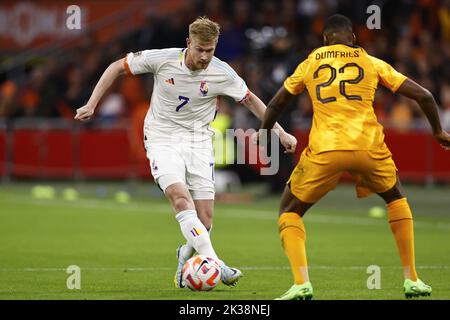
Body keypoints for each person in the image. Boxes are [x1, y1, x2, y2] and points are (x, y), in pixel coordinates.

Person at [75, 17, 297, 289]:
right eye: (200, 49)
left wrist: (281, 132)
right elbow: (116, 67)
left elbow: (251, 100)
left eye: (210, 50)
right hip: (161, 138)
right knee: (180, 199)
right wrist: (91, 103)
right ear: (188, 43)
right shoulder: (163, 59)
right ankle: (217, 264)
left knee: (205, 219)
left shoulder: (221, 72)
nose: (205, 56)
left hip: (198, 142)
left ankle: (185, 255)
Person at [255, 14, 450, 300]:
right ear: (354, 39)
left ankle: (301, 283)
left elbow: (278, 101)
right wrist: (437, 131)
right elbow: (424, 96)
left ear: (325, 39)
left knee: (289, 211)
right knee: (396, 198)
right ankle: (412, 279)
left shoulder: (312, 61)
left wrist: (264, 132)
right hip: (369, 148)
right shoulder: (370, 61)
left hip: (327, 149)